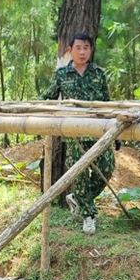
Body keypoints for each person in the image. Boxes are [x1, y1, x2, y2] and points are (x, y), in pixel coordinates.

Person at [40, 31, 113, 235]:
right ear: (70, 51)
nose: (82, 52)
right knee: (79, 174)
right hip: (74, 134)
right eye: (78, 48)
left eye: (86, 47)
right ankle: (88, 215)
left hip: (100, 132)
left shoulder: (98, 74)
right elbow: (47, 97)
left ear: (91, 50)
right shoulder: (62, 75)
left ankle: (79, 199)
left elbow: (108, 102)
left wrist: (114, 132)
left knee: (106, 170)